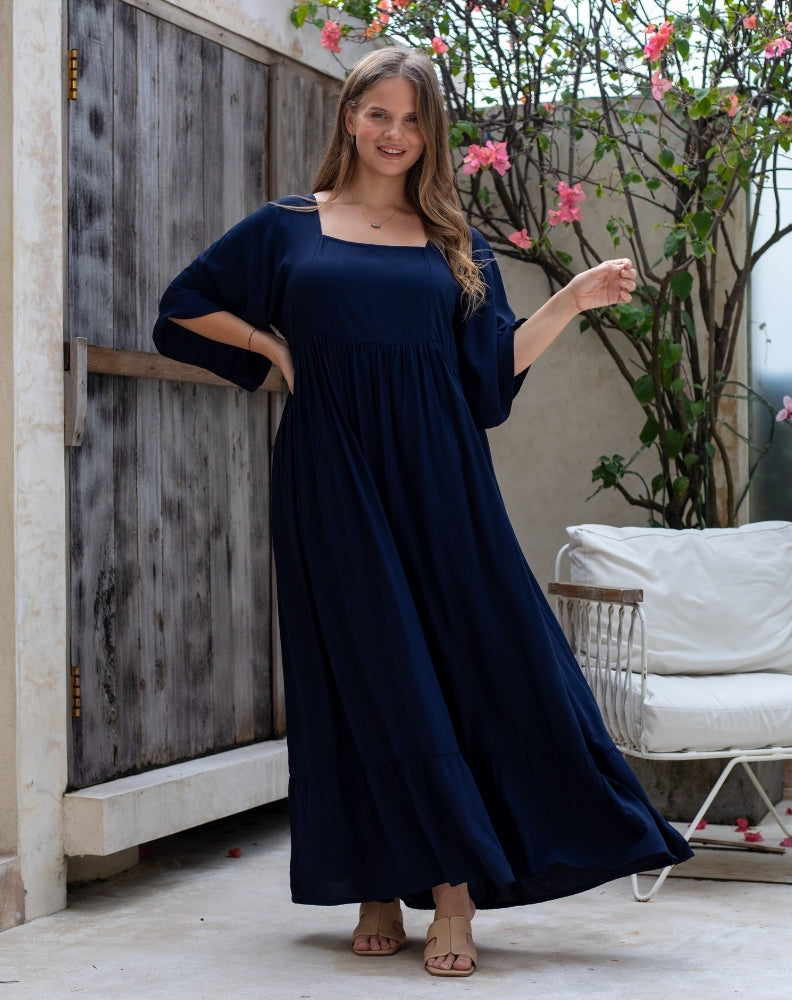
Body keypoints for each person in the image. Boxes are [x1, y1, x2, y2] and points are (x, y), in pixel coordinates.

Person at [153, 47, 692, 979]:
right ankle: (374, 877)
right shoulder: (288, 227)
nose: (394, 136)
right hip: (330, 472)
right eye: (377, 115)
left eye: (412, 120)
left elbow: (484, 378)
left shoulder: (454, 240)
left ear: (429, 132)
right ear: (350, 118)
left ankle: (451, 891)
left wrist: (568, 298)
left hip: (442, 476)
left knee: (464, 654)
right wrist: (275, 354)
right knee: (359, 666)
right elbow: (183, 305)